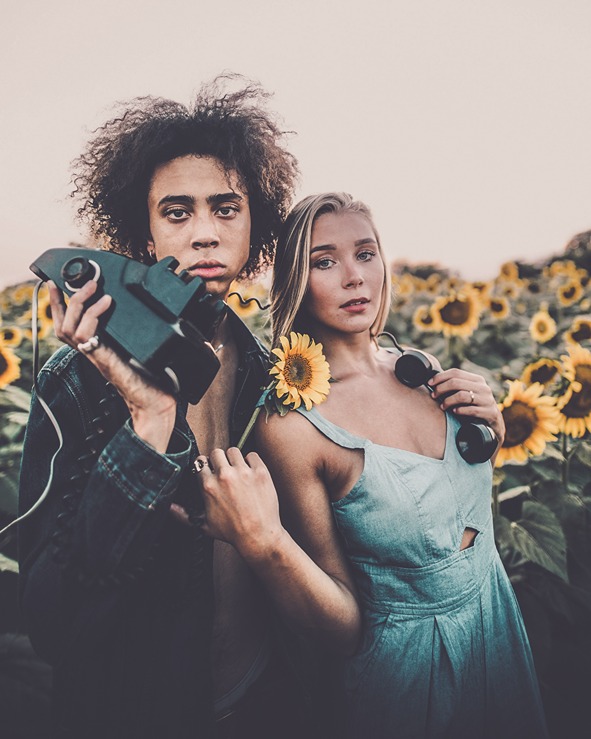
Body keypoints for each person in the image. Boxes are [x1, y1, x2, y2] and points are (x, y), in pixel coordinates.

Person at [17, 76, 316, 739]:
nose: (204, 234)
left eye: (226, 208)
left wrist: (446, 399)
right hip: (136, 710)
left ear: (256, 225)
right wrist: (148, 421)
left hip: (263, 701)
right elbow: (54, 621)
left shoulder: (275, 375)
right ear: (144, 235)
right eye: (177, 212)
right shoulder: (76, 379)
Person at [194, 192, 549, 738]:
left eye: (365, 253)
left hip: (496, 627)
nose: (354, 277)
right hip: (408, 678)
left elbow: (455, 517)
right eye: (324, 261)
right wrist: (264, 542)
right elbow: (339, 629)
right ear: (295, 280)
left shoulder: (420, 370)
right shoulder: (294, 424)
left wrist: (492, 437)